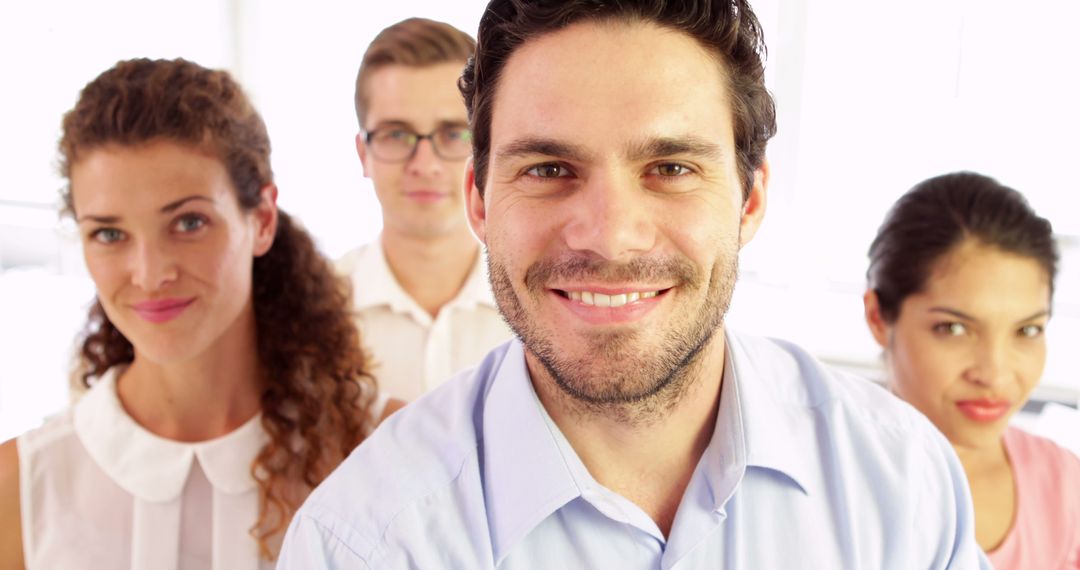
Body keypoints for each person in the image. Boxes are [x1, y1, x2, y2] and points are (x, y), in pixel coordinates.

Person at [278, 1, 986, 567]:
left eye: (671, 168)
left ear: (750, 201)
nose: (611, 235)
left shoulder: (898, 480)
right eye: (549, 169)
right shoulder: (361, 543)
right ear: (480, 203)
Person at [0, 58, 400, 569]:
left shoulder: (386, 453)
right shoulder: (23, 487)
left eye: (189, 222)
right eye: (108, 233)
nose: (148, 273)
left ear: (261, 219)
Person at [864, 171, 1080, 568]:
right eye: (954, 329)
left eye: (1027, 330)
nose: (995, 375)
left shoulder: (1066, 490)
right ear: (879, 317)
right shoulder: (818, 474)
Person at [337, 17, 513, 401]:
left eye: (453, 133)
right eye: (396, 134)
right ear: (363, 153)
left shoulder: (542, 306)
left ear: (485, 149)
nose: (424, 163)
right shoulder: (309, 314)